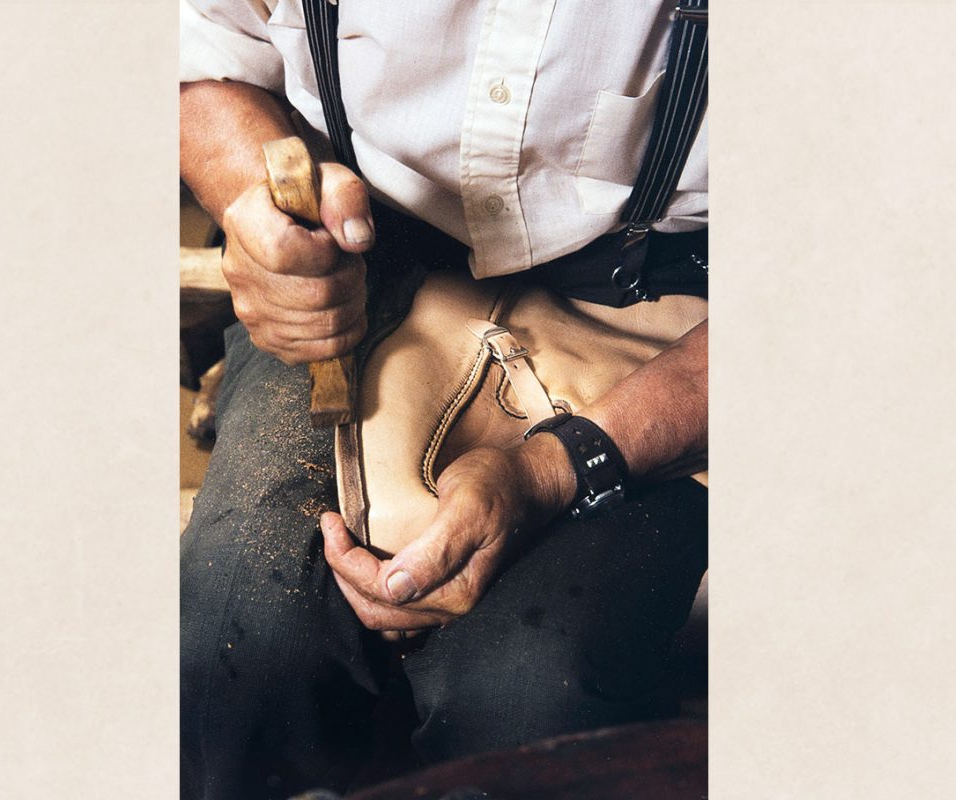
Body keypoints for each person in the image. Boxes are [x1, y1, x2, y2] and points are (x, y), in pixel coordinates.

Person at [179, 2, 708, 797]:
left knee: (534, 692)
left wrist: (560, 469)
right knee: (236, 637)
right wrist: (255, 207)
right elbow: (201, 58)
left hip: (671, 316)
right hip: (358, 267)